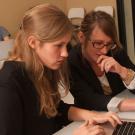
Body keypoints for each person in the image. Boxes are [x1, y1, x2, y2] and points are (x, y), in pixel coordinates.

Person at [0, 4, 121, 135]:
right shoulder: (9, 82)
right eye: (58, 45)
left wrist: (93, 115)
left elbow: (57, 109)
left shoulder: (41, 67)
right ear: (33, 42)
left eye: (66, 45)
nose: (65, 53)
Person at [68, 10, 135, 113]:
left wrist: (123, 71)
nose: (104, 50)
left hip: (123, 114)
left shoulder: (115, 50)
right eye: (98, 43)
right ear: (82, 37)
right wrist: (128, 105)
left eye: (108, 43)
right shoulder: (72, 61)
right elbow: (90, 100)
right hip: (91, 117)